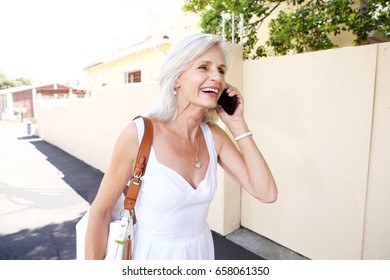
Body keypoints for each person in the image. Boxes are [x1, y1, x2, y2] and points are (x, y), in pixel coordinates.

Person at [85, 33, 278, 260]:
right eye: (204, 67)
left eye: (221, 70)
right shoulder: (138, 135)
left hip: (200, 253)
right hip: (151, 256)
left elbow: (266, 193)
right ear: (177, 77)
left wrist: (237, 124)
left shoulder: (213, 137)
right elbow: (101, 212)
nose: (216, 77)